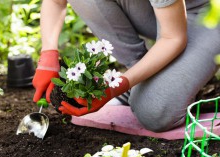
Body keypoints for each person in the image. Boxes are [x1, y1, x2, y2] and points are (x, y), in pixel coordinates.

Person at [32, 0, 220, 132]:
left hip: (208, 14)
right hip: (161, 12)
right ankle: (141, 77)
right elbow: (56, 2)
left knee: (153, 113)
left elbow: (173, 38)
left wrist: (116, 88)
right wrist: (48, 54)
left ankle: (154, 84)